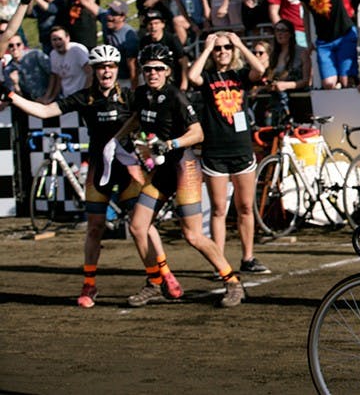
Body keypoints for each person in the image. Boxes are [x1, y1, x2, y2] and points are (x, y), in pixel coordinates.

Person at [1, 45, 182, 308]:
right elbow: (44, 111)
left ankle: (165, 274)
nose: (105, 71)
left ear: (116, 69)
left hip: (129, 168)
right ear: (94, 70)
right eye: (100, 67)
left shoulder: (131, 97)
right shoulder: (84, 97)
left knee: (144, 225)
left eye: (110, 66)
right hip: (99, 170)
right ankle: (90, 284)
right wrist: (10, 94)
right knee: (95, 228)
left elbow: (159, 113)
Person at [112, 43, 244, 308]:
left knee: (192, 235)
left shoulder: (176, 96)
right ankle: (154, 282)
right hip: (162, 170)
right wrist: (117, 138)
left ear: (168, 71)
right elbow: (138, 117)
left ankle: (232, 281)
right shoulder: (141, 94)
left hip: (184, 167)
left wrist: (171, 144)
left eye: (159, 69)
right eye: (148, 69)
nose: (153, 74)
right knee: (138, 225)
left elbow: (198, 134)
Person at [188, 31, 269, 275]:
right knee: (219, 209)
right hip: (215, 150)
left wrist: (239, 44)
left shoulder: (240, 75)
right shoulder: (208, 76)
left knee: (245, 206)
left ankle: (248, 257)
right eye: (218, 49)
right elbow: (192, 76)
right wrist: (206, 48)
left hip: (241, 148)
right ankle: (219, 262)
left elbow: (260, 70)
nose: (222, 52)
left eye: (226, 48)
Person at [139, 11, 189, 90]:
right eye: (150, 24)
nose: (153, 27)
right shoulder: (144, 41)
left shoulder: (172, 39)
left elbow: (183, 60)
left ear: (163, 24)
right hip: (153, 79)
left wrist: (184, 82)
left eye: (156, 23)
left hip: (173, 80)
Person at [41, 26, 91, 103]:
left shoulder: (77, 50)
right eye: (54, 40)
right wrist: (49, 97)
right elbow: (57, 78)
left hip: (81, 96)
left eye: (60, 39)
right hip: (67, 97)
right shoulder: (53, 54)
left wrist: (86, 94)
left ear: (67, 38)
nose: (57, 42)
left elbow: (90, 73)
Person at [98, 0, 140, 89]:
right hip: (113, 76)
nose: (109, 16)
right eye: (109, 11)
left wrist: (133, 91)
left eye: (114, 14)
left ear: (122, 17)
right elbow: (88, 2)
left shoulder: (130, 38)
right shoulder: (106, 20)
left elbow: (133, 68)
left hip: (127, 80)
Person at [1, 34, 49, 101]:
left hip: (51, 96)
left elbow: (54, 74)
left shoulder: (36, 55)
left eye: (18, 44)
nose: (15, 48)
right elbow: (17, 98)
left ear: (23, 45)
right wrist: (15, 84)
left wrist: (48, 96)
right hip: (33, 103)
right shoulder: (8, 70)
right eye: (11, 45)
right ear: (7, 48)